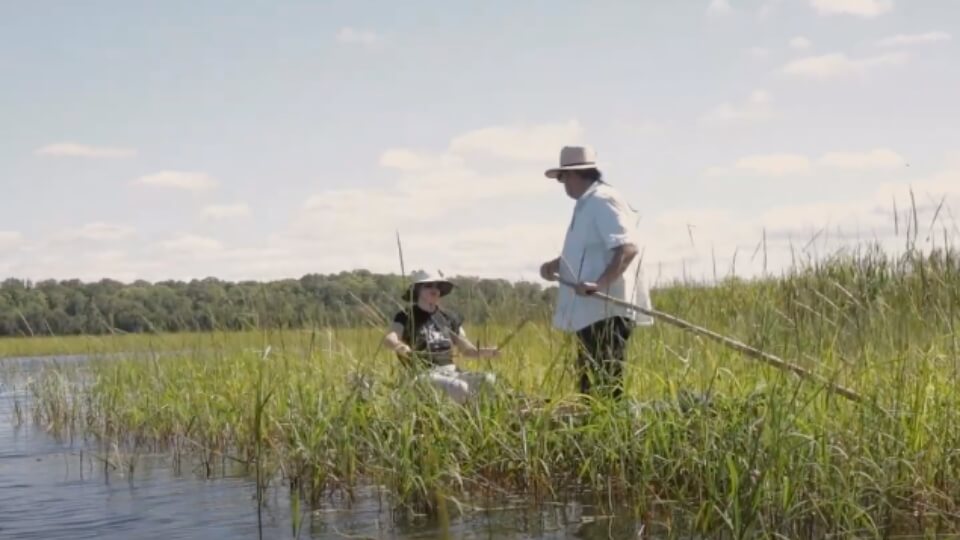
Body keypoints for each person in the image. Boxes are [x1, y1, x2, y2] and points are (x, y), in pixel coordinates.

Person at [538, 145, 654, 400]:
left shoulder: (602, 199)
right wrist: (555, 265)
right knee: (590, 384)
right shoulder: (587, 203)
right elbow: (588, 251)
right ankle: (595, 431)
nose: (562, 184)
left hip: (606, 312)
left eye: (562, 177)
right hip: (590, 314)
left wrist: (599, 284)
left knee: (605, 384)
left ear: (574, 174)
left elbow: (627, 247)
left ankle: (609, 434)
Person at [382, 270, 500, 404]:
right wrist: (401, 346)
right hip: (423, 374)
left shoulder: (449, 318)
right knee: (459, 387)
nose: (435, 289)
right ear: (418, 290)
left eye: (437, 286)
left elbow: (467, 350)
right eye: (429, 286)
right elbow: (389, 339)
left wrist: (486, 352)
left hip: (451, 371)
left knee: (490, 380)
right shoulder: (405, 316)